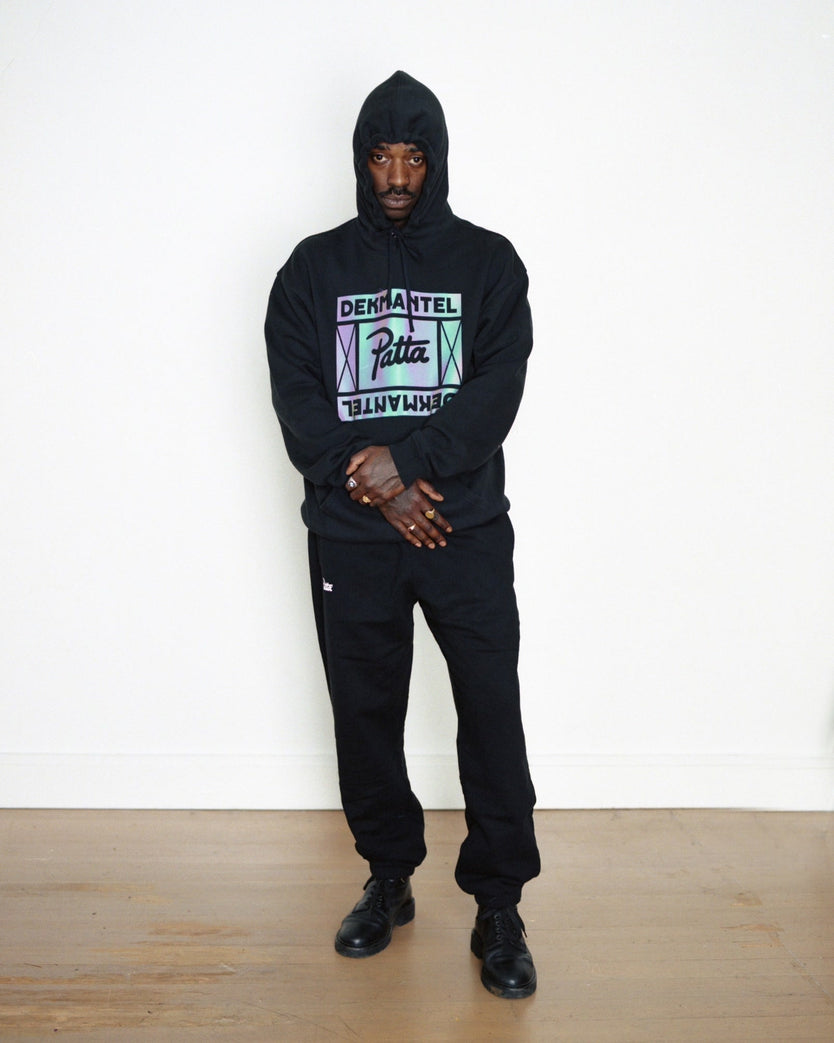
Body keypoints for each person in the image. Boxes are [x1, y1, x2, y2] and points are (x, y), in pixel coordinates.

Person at [265, 70, 540, 999]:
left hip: (465, 531)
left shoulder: (489, 263)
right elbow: (298, 399)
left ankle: (499, 903)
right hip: (351, 539)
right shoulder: (311, 270)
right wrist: (377, 490)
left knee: (490, 711)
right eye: (380, 155)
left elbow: (496, 390)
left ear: (437, 162)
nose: (394, 175)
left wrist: (407, 463)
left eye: (412, 157)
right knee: (365, 712)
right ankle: (389, 874)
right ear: (358, 160)